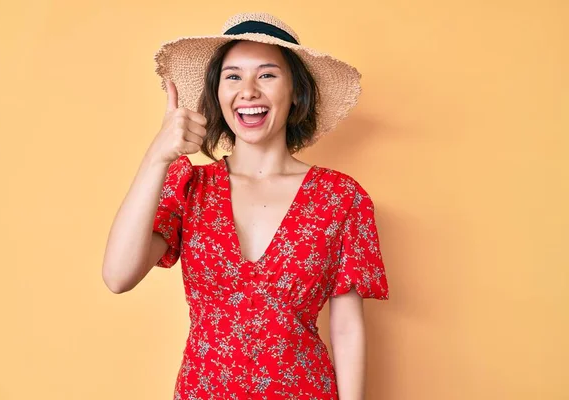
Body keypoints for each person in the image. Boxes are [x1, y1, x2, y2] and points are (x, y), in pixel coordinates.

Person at [102, 12, 389, 400]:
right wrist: (157, 157)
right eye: (233, 76)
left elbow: (347, 328)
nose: (248, 90)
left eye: (267, 74)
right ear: (217, 95)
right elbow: (118, 276)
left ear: (296, 91)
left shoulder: (341, 197)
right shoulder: (190, 186)